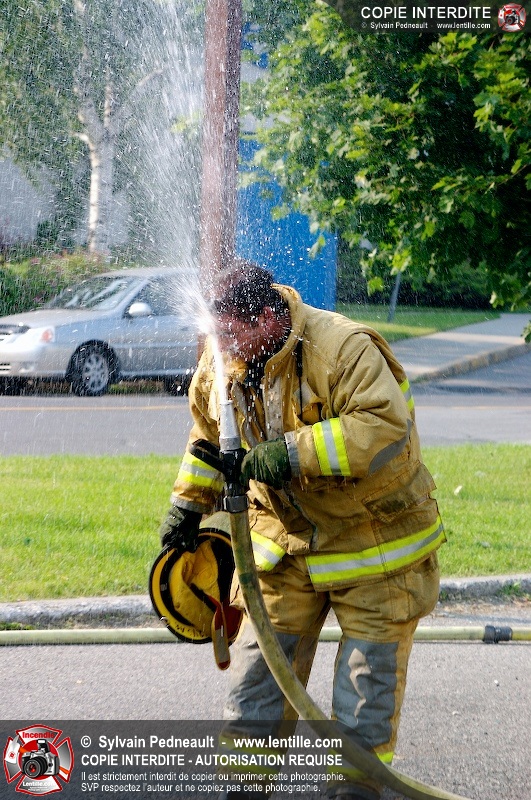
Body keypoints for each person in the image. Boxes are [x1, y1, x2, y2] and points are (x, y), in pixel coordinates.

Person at [160, 261, 445, 800]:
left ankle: (354, 790)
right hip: (283, 545)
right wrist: (188, 503)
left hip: (375, 543)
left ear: (267, 319)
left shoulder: (342, 349)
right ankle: (245, 788)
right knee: (258, 673)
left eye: (231, 335)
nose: (222, 350)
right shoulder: (224, 359)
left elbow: (381, 426)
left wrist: (288, 455)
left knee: (365, 684)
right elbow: (209, 433)